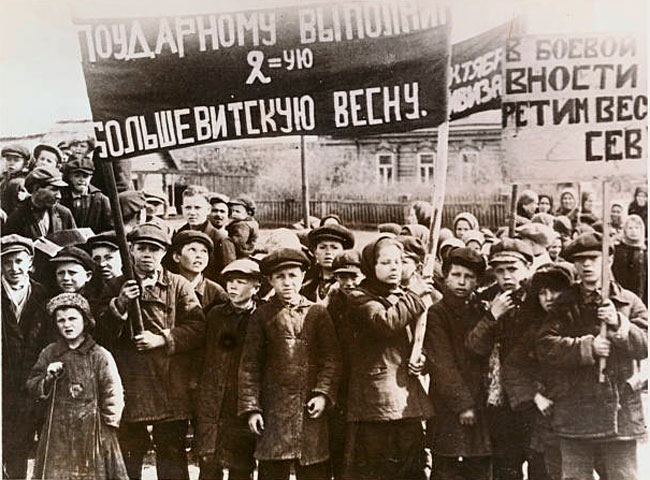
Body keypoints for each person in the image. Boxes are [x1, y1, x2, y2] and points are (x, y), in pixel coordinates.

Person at [537, 232, 647, 480]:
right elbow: (544, 346)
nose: (587, 265)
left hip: (619, 413)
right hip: (576, 412)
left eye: (593, 258)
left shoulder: (628, 302)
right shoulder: (564, 305)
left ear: (608, 259)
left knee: (622, 476)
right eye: (581, 259)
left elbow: (645, 346)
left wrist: (619, 324)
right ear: (574, 265)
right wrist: (587, 347)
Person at [103, 223, 206, 480]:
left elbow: (198, 328)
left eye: (154, 249)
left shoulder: (179, 285)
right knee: (129, 452)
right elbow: (101, 333)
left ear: (164, 254)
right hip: (131, 381)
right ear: (131, 251)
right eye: (141, 248)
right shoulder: (115, 284)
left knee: (172, 453)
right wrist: (121, 303)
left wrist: (163, 339)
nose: (147, 254)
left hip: (170, 383)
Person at [238, 248, 341, 480]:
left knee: (314, 467)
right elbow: (249, 366)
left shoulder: (318, 313)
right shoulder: (261, 316)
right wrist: (252, 408)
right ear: (270, 280)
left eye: (293, 276)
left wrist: (323, 393)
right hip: (274, 410)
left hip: (310, 409)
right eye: (280, 277)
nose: (287, 282)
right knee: (273, 468)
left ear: (303, 276)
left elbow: (332, 359)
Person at [344, 236, 433, 480]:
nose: (394, 267)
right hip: (376, 400)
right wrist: (414, 297)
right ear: (371, 266)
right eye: (385, 262)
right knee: (378, 467)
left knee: (411, 465)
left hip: (406, 396)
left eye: (398, 261)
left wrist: (421, 357)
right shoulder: (359, 298)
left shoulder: (404, 296)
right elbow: (385, 323)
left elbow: (418, 336)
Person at [27, 293, 128, 480]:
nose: (67, 324)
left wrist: (108, 429)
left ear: (85, 321)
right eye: (61, 320)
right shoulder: (50, 353)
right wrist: (48, 378)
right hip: (58, 431)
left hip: (94, 430)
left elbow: (113, 391)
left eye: (73, 318)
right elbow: (33, 385)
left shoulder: (99, 355)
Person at [465, 239, 535, 480]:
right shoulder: (485, 299)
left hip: (534, 397)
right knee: (506, 465)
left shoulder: (539, 298)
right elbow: (474, 347)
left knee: (540, 463)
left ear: (528, 267)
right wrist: (492, 316)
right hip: (499, 399)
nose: (506, 276)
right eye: (500, 271)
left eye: (513, 269)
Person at [502, 263, 575, 480]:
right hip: (548, 418)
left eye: (555, 290)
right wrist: (535, 396)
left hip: (580, 414)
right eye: (542, 292)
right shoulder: (534, 330)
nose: (549, 297)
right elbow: (512, 367)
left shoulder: (581, 322)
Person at [425, 247, 491, 480]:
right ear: (446, 276)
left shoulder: (480, 310)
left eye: (469, 277)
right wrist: (462, 404)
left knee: (479, 466)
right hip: (449, 405)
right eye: (456, 275)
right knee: (446, 466)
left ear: (477, 282)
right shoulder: (437, 313)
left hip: (480, 401)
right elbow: (442, 364)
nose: (462, 282)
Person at [196, 259, 262, 480]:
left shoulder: (262, 316)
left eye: (241, 282)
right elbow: (204, 353)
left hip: (242, 401)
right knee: (208, 461)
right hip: (213, 398)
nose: (233, 287)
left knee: (241, 464)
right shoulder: (215, 315)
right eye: (230, 282)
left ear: (256, 287)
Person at [1, 235, 52, 479]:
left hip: (32, 381)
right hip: (4, 382)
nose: (14, 268)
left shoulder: (41, 293)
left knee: (31, 444)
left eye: (19, 261)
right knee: (9, 446)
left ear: (30, 262)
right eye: (7, 262)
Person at [325, 250, 363, 480]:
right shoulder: (332, 302)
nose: (348, 282)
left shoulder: (367, 299)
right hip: (340, 379)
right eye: (342, 277)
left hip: (363, 377)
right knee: (339, 438)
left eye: (353, 276)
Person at [177, 186, 236, 282]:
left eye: (197, 208)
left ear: (208, 209)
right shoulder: (179, 235)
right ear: (182, 209)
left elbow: (229, 276)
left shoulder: (220, 239)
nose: (192, 213)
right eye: (188, 208)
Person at [5, 166, 77, 239]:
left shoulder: (64, 214)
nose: (59, 196)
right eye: (53, 189)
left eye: (59, 190)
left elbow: (73, 243)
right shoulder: (17, 218)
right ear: (36, 188)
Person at [169, 230, 228, 312]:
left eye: (204, 251)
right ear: (177, 257)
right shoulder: (168, 287)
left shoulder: (216, 292)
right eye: (192, 250)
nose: (199, 256)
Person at [302, 224, 355, 303]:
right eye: (322, 247)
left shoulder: (351, 283)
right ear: (315, 252)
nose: (328, 252)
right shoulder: (307, 281)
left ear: (344, 252)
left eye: (334, 248)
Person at [60, 157, 113, 233]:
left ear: (91, 177)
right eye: (77, 176)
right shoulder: (62, 197)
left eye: (85, 176)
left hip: (95, 242)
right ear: (70, 177)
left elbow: (110, 227)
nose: (81, 180)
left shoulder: (101, 200)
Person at [612, 214, 647, 306]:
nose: (633, 231)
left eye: (636, 228)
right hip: (620, 293)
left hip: (641, 295)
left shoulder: (644, 252)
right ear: (625, 230)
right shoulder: (617, 249)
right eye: (630, 228)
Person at [0, 143, 30, 216]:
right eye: (8, 159)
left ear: (25, 164)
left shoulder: (21, 182)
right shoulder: (4, 177)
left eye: (16, 160)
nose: (11, 163)